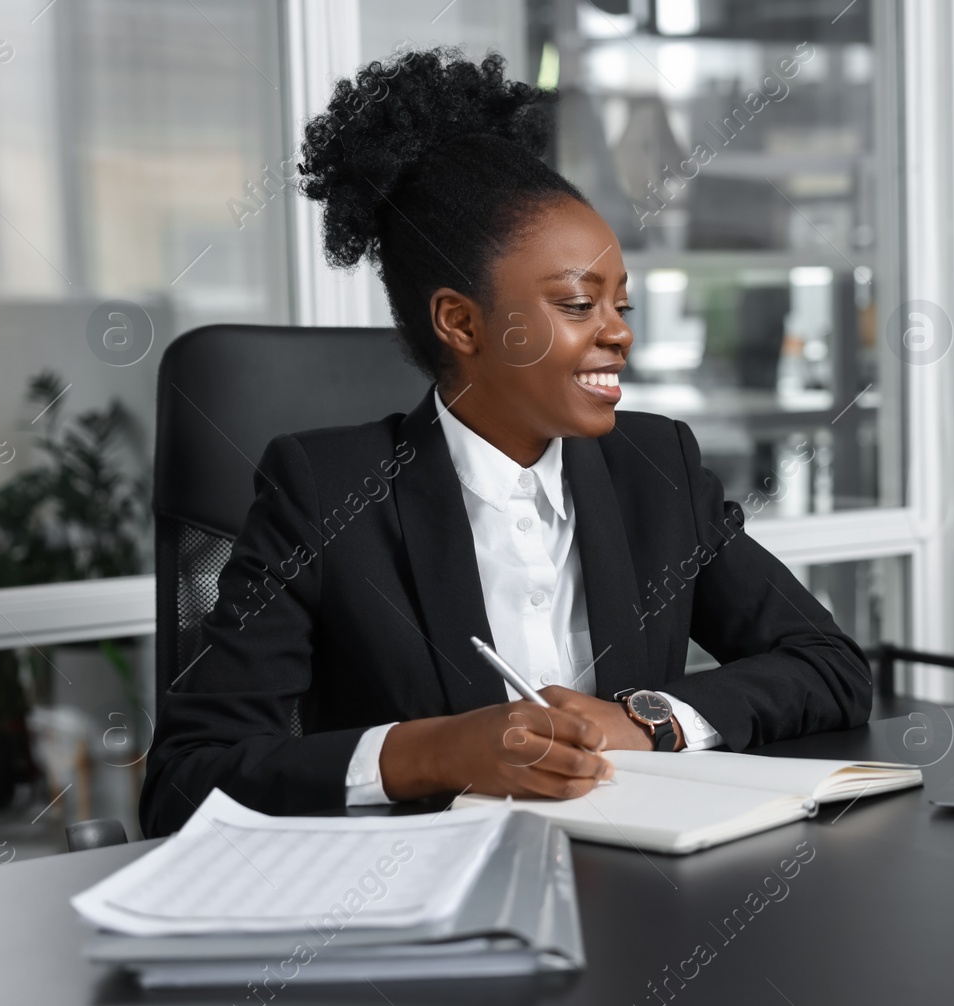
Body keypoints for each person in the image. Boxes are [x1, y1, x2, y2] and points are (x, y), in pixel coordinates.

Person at [139, 48, 871, 837]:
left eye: (620, 304)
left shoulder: (655, 468)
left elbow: (829, 665)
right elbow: (187, 779)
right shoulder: (323, 491)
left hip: (642, 894)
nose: (619, 334)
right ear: (460, 322)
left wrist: (649, 719)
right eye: (578, 304)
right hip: (418, 909)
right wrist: (434, 751)